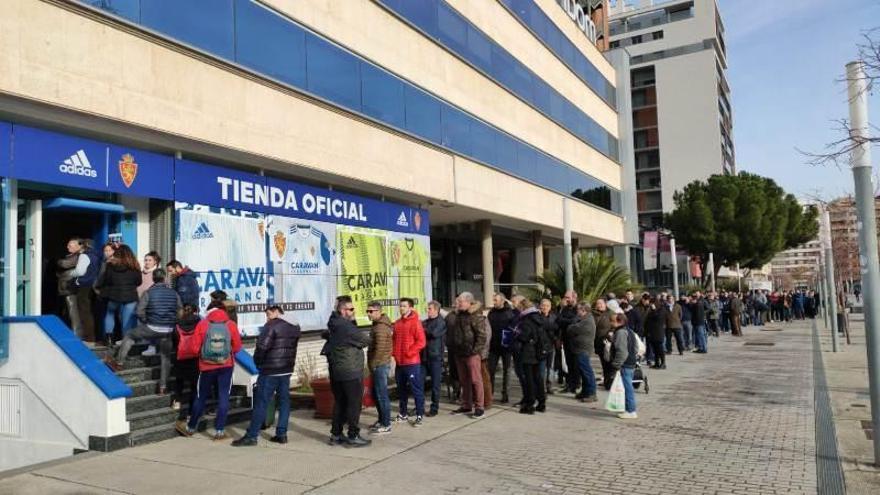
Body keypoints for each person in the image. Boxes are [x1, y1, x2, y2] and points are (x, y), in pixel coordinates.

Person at [233, 305, 301, 446]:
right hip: (286, 369)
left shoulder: (271, 326)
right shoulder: (295, 326)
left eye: (268, 314)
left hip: (270, 370)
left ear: (277, 312)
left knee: (261, 402)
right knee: (284, 402)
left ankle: (252, 436)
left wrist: (257, 363)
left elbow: (262, 347)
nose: (267, 318)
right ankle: (281, 434)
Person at [175, 299, 242, 440]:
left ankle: (191, 427)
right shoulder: (230, 325)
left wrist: (203, 354)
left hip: (206, 366)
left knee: (201, 397)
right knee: (224, 397)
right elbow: (237, 347)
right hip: (226, 366)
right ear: (224, 310)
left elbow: (193, 348)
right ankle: (219, 431)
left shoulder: (203, 324)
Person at [106, 269, 180, 393]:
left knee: (129, 335)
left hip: (152, 327)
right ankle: (163, 387)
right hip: (168, 329)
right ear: (164, 279)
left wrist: (147, 320)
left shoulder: (148, 292)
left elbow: (139, 311)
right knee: (165, 358)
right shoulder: (174, 293)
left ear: (153, 279)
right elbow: (180, 310)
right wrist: (172, 322)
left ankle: (119, 363)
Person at [323, 296, 372, 447]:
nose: (353, 311)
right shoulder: (346, 326)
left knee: (340, 402)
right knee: (354, 404)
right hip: (350, 370)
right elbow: (366, 340)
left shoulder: (334, 322)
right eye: (351, 309)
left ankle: (336, 435)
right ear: (343, 310)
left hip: (337, 370)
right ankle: (353, 435)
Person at [447, 292, 488, 418]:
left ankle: (479, 407)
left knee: (476, 380)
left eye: (460, 301)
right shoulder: (458, 315)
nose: (457, 303)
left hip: (471, 353)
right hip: (459, 353)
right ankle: (466, 405)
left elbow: (482, 336)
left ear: (469, 302)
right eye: (458, 301)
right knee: (464, 381)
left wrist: (475, 351)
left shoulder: (475, 315)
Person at [95, 244, 142, 345]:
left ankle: (109, 339)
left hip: (114, 296)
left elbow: (107, 280)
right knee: (127, 318)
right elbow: (139, 282)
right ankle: (126, 340)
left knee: (110, 314)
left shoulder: (111, 265)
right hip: (130, 296)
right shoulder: (135, 266)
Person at [392, 298, 427, 426]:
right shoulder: (397, 323)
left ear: (410, 308)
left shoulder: (416, 323)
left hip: (412, 363)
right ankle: (403, 413)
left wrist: (410, 352)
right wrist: (394, 353)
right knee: (401, 390)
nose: (402, 308)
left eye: (404, 306)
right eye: (401, 306)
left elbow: (421, 341)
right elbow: (394, 340)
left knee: (416, 389)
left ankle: (419, 415)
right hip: (400, 363)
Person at [514, 298, 547, 414]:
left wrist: (517, 333)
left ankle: (530, 404)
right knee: (538, 378)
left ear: (523, 308)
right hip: (538, 351)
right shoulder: (538, 317)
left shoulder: (526, 320)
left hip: (528, 352)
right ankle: (542, 402)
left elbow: (525, 336)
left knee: (529, 379)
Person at [366, 301, 393, 434]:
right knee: (376, 394)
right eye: (367, 311)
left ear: (378, 311)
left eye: (371, 311)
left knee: (381, 395)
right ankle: (382, 420)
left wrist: (374, 364)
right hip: (379, 364)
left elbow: (380, 349)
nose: (368, 314)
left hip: (380, 365)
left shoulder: (381, 327)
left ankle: (386, 423)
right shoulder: (377, 325)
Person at [67, 238, 101, 343]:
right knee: (91, 312)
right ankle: (93, 337)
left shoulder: (84, 255)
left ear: (83, 246)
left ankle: (89, 338)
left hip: (84, 286)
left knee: (84, 313)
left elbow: (80, 271)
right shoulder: (96, 256)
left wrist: (70, 274)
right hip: (93, 286)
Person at [171, 304, 201, 416]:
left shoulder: (177, 324)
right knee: (194, 386)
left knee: (179, 381)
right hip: (195, 358)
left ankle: (177, 402)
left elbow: (174, 341)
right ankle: (190, 412)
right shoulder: (200, 324)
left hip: (181, 357)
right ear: (195, 311)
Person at [487, 293, 515, 404]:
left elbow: (513, 329)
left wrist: (509, 341)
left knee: (507, 371)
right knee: (491, 371)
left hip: (506, 346)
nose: (494, 302)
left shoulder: (509, 313)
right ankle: (490, 393)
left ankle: (505, 394)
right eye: (493, 300)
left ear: (503, 301)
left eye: (496, 300)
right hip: (493, 346)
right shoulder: (491, 313)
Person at [566, 301, 597, 402]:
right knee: (583, 372)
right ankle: (585, 391)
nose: (577, 311)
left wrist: (571, 327)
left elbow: (572, 329)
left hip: (583, 349)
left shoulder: (587, 320)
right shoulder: (583, 319)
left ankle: (592, 393)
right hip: (579, 348)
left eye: (578, 309)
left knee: (587, 372)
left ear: (583, 310)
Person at [421, 300, 447, 417]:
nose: (427, 311)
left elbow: (433, 333)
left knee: (435, 385)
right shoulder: (425, 322)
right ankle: (419, 406)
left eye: (430, 309)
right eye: (427, 308)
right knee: (419, 382)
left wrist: (422, 330)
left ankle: (434, 407)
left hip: (435, 356)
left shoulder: (441, 322)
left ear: (436, 310)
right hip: (424, 356)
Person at [609, 313, 637, 419]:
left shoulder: (620, 332)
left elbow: (622, 351)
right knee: (627, 386)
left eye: (612, 321)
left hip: (625, 363)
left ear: (619, 321)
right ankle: (628, 408)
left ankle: (630, 410)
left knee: (627, 387)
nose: (611, 323)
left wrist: (616, 364)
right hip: (630, 361)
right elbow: (635, 347)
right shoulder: (629, 331)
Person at [556, 290, 579, 393]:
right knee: (568, 363)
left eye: (568, 297)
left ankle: (576, 383)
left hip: (575, 340)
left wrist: (565, 320)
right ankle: (569, 384)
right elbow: (558, 320)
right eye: (565, 297)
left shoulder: (578, 308)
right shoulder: (564, 309)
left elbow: (574, 321)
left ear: (574, 297)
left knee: (576, 363)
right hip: (566, 339)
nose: (566, 299)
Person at [592, 298, 616, 390]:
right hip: (598, 342)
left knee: (609, 363)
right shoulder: (593, 314)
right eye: (598, 304)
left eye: (601, 303)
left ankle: (610, 382)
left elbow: (615, 324)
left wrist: (611, 332)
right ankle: (607, 381)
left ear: (605, 304)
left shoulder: (611, 313)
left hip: (608, 342)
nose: (599, 305)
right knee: (604, 363)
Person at [538, 298, 559, 395]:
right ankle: (541, 387)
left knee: (550, 368)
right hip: (540, 346)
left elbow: (557, 329)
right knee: (541, 368)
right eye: (543, 305)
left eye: (547, 306)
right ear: (540, 306)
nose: (545, 307)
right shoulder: (537, 317)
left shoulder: (554, 317)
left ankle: (549, 386)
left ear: (550, 307)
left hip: (551, 346)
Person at [645, 296, 668, 369]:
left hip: (658, 332)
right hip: (652, 332)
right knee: (655, 349)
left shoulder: (662, 310)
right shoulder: (651, 310)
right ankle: (657, 363)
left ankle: (663, 363)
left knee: (660, 349)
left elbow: (658, 318)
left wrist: (654, 310)